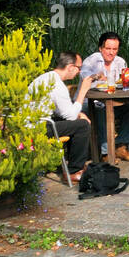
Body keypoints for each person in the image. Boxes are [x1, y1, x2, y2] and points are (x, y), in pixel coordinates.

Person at [29, 51, 92, 182]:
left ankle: (69, 164)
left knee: (77, 120)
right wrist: (83, 91)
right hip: (37, 128)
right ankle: (74, 171)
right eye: (78, 68)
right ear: (70, 67)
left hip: (35, 122)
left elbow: (63, 111)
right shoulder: (57, 85)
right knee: (83, 126)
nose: (79, 72)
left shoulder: (47, 77)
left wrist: (79, 113)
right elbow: (70, 116)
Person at [78, 31, 129, 162]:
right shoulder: (92, 60)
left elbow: (122, 84)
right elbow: (84, 76)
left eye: (115, 49)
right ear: (101, 48)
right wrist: (98, 76)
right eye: (108, 48)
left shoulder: (120, 62)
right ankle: (105, 153)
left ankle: (120, 146)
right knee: (100, 107)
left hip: (111, 101)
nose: (111, 52)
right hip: (88, 103)